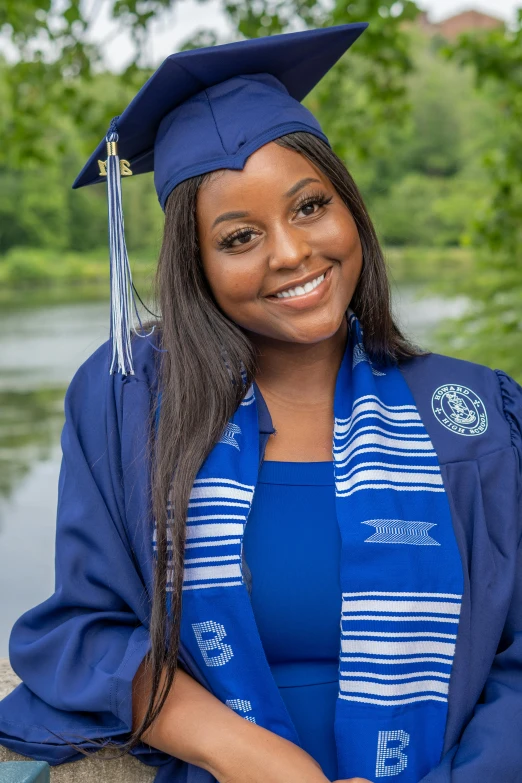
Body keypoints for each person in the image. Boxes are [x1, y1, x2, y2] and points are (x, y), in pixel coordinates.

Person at [0, 22, 521, 783]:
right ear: (197, 264)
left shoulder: (468, 413)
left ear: (350, 209)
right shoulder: (132, 401)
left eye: (309, 207)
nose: (289, 252)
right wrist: (245, 751)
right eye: (240, 237)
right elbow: (86, 629)